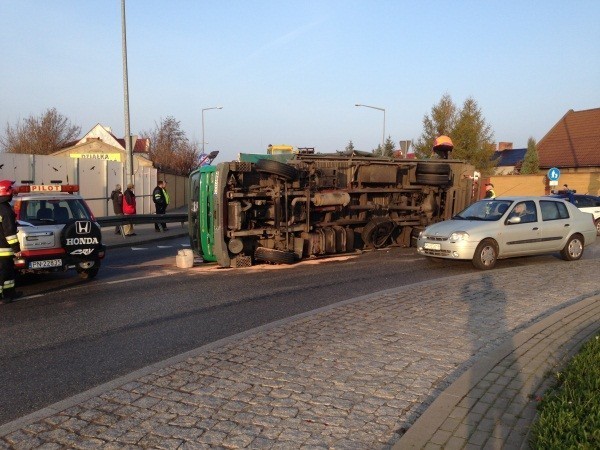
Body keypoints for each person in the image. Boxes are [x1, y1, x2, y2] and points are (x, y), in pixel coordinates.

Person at [0, 180, 22, 302]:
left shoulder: (3, 208)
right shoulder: (6, 210)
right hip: (3, 250)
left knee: (7, 274)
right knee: (3, 274)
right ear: (6, 191)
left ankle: (8, 294)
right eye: (11, 190)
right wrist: (16, 249)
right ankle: (5, 296)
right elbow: (9, 233)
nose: (13, 192)